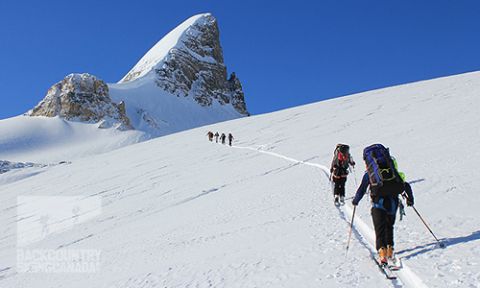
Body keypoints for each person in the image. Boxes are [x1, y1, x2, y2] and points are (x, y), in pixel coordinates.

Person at [352, 144, 414, 264]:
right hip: (393, 202)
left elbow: (362, 189)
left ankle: (382, 254)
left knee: (379, 229)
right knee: (389, 226)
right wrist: (410, 199)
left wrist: (356, 201)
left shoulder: (370, 173)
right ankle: (390, 249)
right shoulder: (392, 170)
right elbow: (405, 185)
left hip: (378, 203)